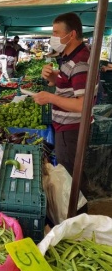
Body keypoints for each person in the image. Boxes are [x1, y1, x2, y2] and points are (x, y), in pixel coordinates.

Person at [33, 12, 96, 194]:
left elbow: (83, 105)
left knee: (71, 178)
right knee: (70, 176)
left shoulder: (80, 62)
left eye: (56, 33)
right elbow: (68, 85)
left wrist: (50, 98)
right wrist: (52, 76)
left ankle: (76, 217)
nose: (54, 38)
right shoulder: (69, 56)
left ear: (72, 34)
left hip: (72, 130)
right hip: (65, 128)